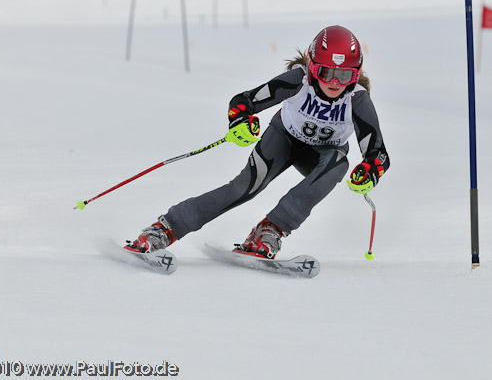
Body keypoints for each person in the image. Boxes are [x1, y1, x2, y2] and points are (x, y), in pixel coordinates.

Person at [125, 25, 390, 259]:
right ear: (312, 66)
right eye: (325, 72)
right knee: (245, 186)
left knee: (339, 162)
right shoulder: (299, 80)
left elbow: (378, 154)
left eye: (344, 76)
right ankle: (167, 227)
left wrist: (369, 172)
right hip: (284, 139)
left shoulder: (357, 99)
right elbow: (243, 101)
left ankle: (270, 229)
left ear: (355, 75)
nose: (334, 82)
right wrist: (240, 120)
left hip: (322, 156)